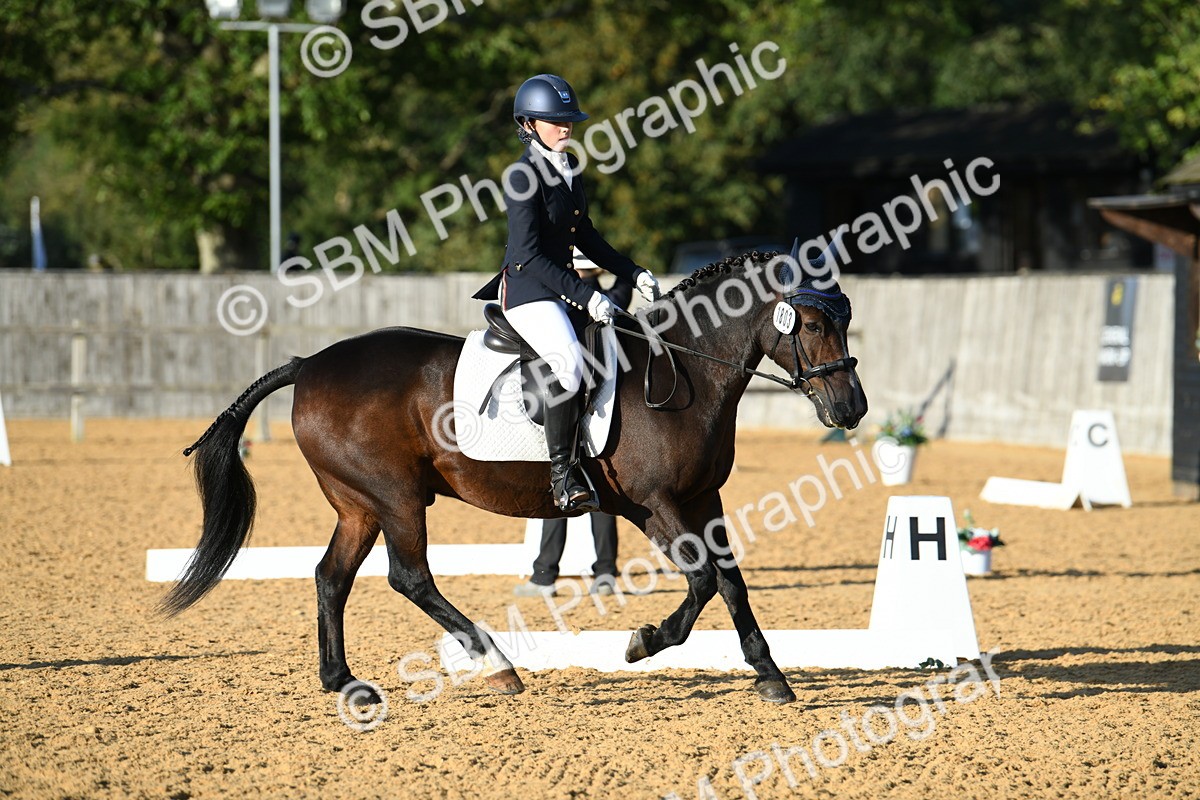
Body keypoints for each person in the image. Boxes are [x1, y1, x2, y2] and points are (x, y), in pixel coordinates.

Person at [473, 73, 662, 513]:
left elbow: (587, 236)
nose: (565, 127)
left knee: (621, 345)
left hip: (560, 288)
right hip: (528, 291)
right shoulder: (521, 177)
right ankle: (562, 474)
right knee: (569, 364)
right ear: (528, 124)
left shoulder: (569, 167)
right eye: (554, 121)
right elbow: (528, 258)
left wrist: (632, 272)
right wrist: (587, 295)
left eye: (568, 120)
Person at [513, 255, 632, 597]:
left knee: (562, 478)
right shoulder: (607, 300)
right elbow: (623, 289)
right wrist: (614, 268)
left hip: (563, 398)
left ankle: (545, 573)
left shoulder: (559, 302)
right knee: (599, 488)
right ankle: (606, 571)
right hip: (604, 403)